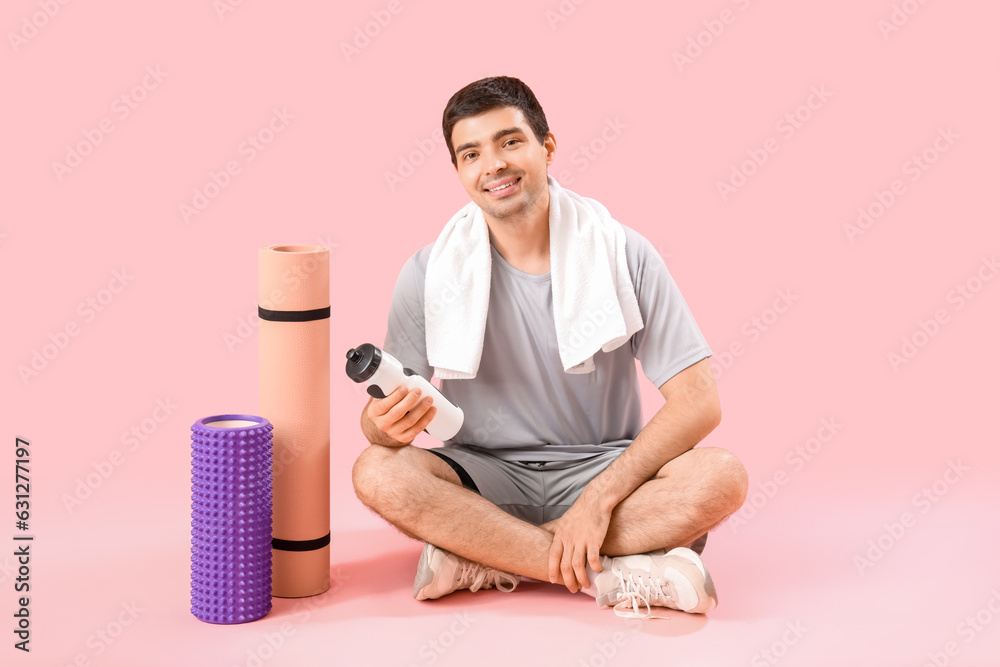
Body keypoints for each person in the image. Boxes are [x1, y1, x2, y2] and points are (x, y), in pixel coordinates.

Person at [352, 76, 748, 619]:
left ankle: (485, 556)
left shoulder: (622, 252)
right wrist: (382, 423)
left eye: (510, 142)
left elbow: (699, 401)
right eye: (472, 153)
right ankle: (613, 573)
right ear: (459, 171)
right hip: (482, 477)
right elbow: (381, 424)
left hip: (603, 471)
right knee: (377, 471)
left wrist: (599, 499)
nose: (493, 165)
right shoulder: (427, 272)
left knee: (722, 475)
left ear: (547, 147)